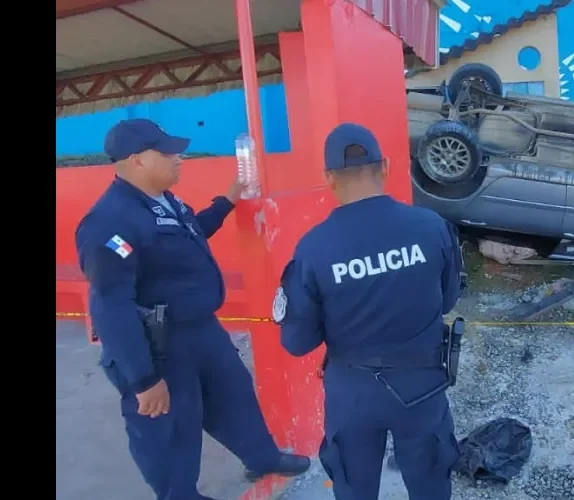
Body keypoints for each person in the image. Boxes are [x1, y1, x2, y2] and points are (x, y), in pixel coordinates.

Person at [75, 119, 310, 500]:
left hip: (202, 329)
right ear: (137, 160)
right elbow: (111, 306)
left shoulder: (164, 199)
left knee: (233, 396)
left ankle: (262, 457)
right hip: (161, 345)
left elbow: (193, 231)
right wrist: (143, 380)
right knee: (170, 427)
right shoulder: (109, 222)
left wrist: (228, 201)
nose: (178, 158)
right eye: (167, 152)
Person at [273, 122, 466, 500]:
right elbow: (447, 300)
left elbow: (298, 342)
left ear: (329, 178)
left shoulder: (312, 249)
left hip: (352, 392)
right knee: (430, 487)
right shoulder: (431, 227)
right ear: (387, 167)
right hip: (421, 385)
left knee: (354, 490)